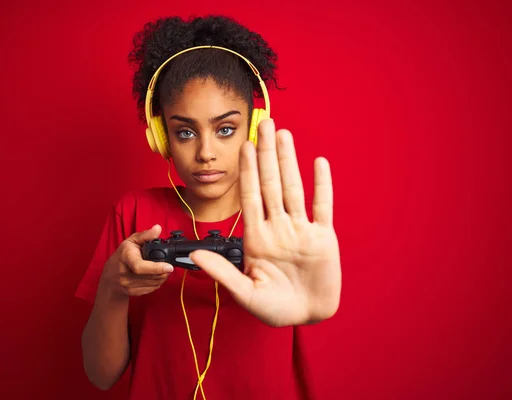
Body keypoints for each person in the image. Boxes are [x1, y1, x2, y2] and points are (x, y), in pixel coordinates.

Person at [75, 15, 342, 399]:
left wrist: (316, 305)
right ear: (161, 138)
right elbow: (101, 375)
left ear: (252, 127)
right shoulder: (133, 214)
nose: (205, 153)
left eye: (225, 129)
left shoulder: (283, 224)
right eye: (185, 132)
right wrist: (113, 289)